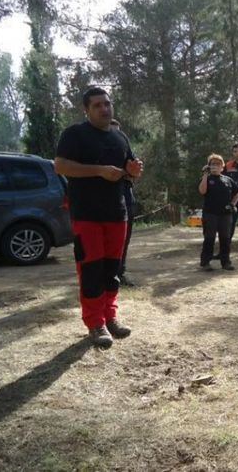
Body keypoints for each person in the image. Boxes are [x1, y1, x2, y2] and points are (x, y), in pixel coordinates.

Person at [54, 87, 143, 349]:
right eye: (97, 105)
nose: (104, 109)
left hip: (117, 213)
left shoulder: (120, 137)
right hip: (87, 214)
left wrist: (134, 171)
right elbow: (60, 166)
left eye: (107, 104)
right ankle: (95, 323)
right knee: (91, 269)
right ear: (86, 109)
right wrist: (99, 171)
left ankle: (110, 317)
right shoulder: (74, 134)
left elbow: (129, 170)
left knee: (112, 270)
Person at [199, 154, 238, 271]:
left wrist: (233, 204)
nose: (215, 166)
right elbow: (202, 191)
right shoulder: (206, 178)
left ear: (222, 167)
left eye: (218, 164)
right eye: (213, 164)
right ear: (209, 166)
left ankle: (226, 262)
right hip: (210, 213)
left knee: (225, 239)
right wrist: (205, 175)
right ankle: (205, 262)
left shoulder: (227, 180)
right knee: (209, 238)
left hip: (225, 214)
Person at [109, 119, 137, 287]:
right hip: (103, 200)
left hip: (126, 197)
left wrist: (127, 173)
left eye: (119, 132)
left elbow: (134, 172)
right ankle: (106, 274)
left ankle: (120, 272)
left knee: (124, 238)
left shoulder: (125, 151)